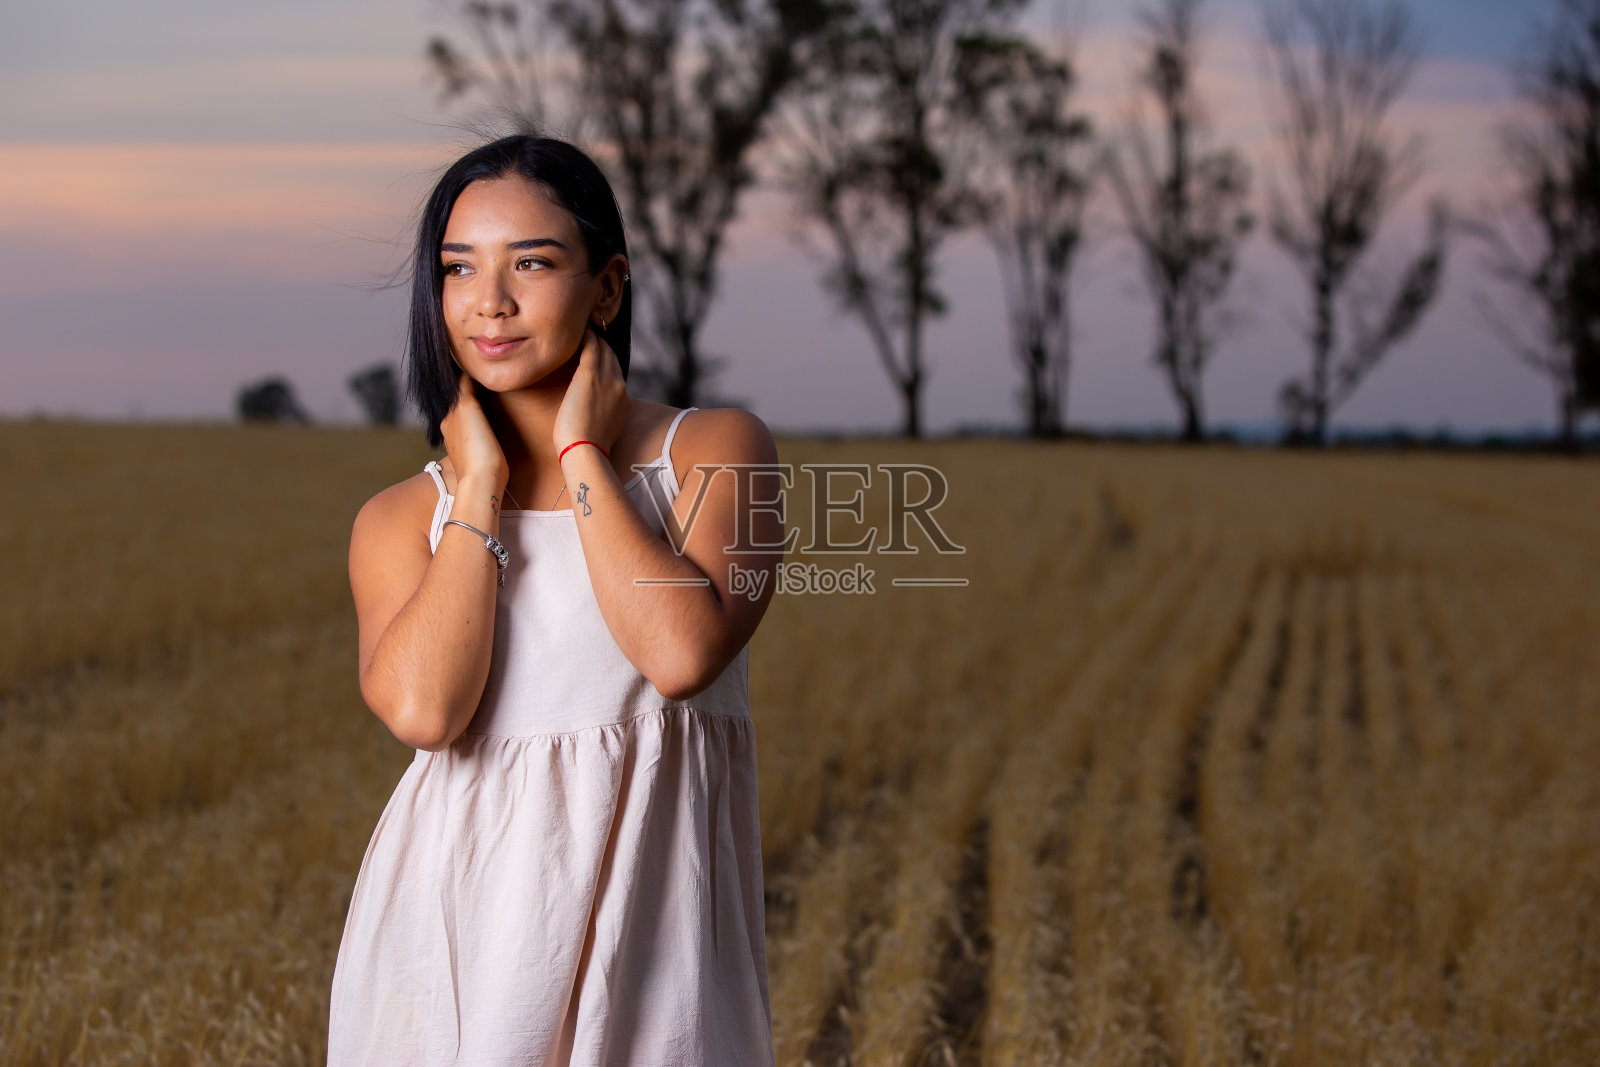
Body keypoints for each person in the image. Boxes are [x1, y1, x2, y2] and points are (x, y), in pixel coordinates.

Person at [326, 133, 783, 1066]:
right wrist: (480, 486)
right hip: (448, 947)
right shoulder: (399, 518)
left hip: (657, 943)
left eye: (530, 261)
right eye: (460, 269)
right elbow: (426, 708)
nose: (490, 300)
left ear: (608, 288)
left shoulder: (717, 452)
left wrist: (581, 457)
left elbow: (680, 654)